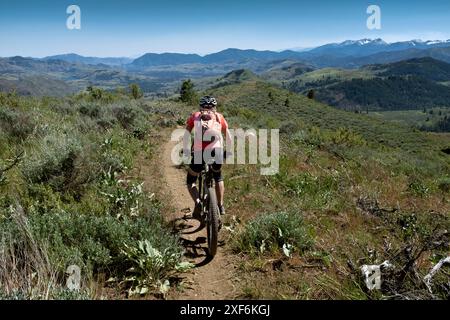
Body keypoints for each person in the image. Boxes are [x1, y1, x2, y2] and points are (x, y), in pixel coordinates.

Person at [183, 95, 232, 219]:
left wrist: (186, 148)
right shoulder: (219, 117)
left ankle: (198, 202)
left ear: (201, 107)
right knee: (218, 177)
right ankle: (220, 206)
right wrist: (229, 151)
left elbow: (187, 132)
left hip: (199, 152)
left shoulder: (195, 116)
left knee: (191, 181)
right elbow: (228, 135)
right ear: (214, 107)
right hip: (217, 151)